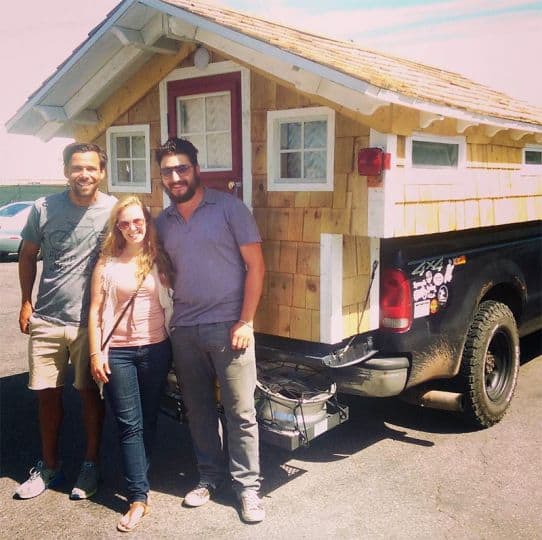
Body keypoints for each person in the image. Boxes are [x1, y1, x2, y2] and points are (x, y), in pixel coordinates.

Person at [155, 138, 266, 523]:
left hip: (229, 327)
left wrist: (246, 320)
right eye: (168, 171)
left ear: (196, 168)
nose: (175, 176)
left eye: (182, 168)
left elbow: (256, 267)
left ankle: (248, 488)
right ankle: (209, 477)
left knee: (240, 411)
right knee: (199, 411)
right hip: (184, 329)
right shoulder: (161, 223)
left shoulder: (230, 209)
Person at [16, 142, 116, 500]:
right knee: (46, 395)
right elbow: (27, 256)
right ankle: (49, 465)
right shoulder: (43, 208)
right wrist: (26, 302)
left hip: (90, 322)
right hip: (47, 317)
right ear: (65, 171)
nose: (83, 175)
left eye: (91, 168)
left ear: (101, 172)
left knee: (89, 393)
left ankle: (90, 466)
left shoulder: (113, 210)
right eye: (77, 168)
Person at [88, 196, 173, 532]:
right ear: (117, 227)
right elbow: (94, 312)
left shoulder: (158, 258)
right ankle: (138, 497)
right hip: (119, 351)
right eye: (126, 223)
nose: (133, 228)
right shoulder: (107, 262)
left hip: (156, 349)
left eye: (139, 221)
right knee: (129, 424)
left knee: (148, 418)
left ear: (147, 222)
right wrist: (97, 353)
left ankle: (139, 474)